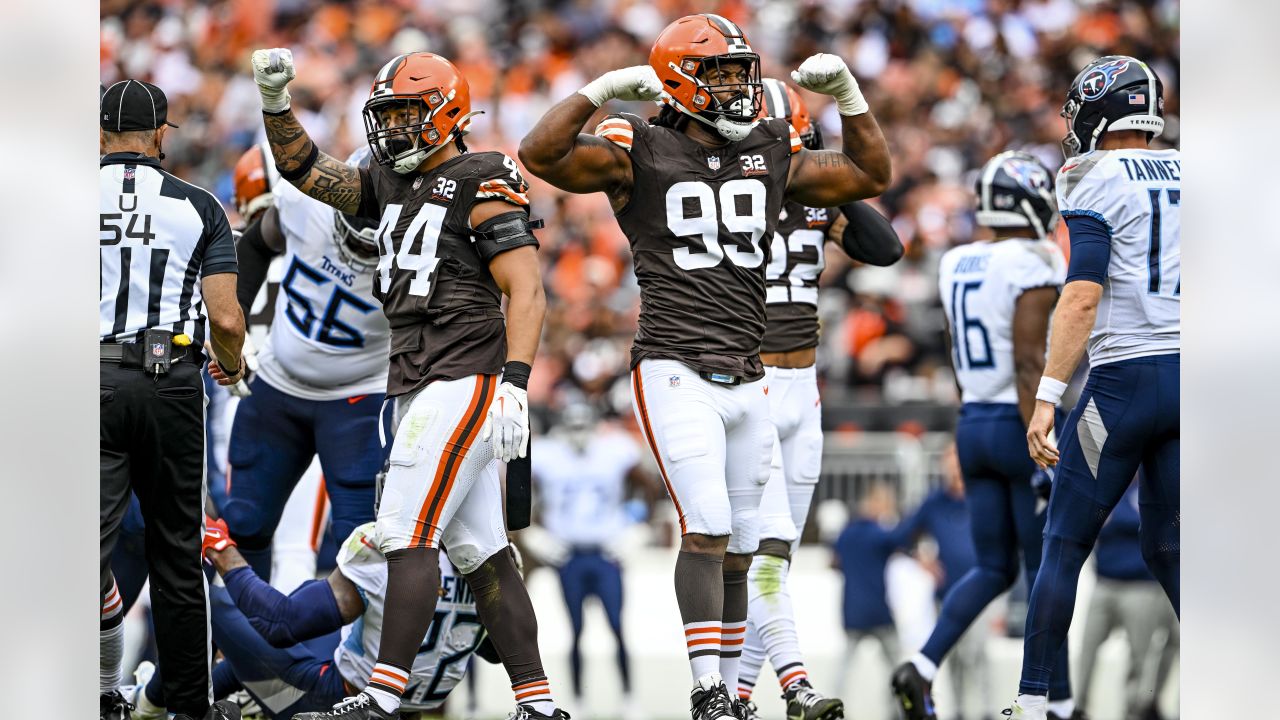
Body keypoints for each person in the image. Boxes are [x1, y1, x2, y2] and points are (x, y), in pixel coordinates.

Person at [518, 14, 890, 718]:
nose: (739, 86)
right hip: (674, 366)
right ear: (683, 81)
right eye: (720, 73)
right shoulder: (640, 146)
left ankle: (736, 691)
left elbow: (872, 175)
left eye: (739, 71)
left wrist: (851, 98)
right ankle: (707, 686)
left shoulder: (770, 146)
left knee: (745, 548)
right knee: (709, 524)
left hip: (750, 371)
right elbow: (542, 154)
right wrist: (596, 91)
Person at [249, 48, 560, 719]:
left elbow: (527, 291)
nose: (393, 129)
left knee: (404, 533)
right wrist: (276, 105)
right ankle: (536, 702)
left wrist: (515, 383)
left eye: (408, 113)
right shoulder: (390, 181)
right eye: (386, 115)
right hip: (419, 378)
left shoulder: (483, 173)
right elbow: (309, 172)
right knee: (483, 554)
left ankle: (383, 694)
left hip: (462, 374)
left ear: (446, 112)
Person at [1011, 55, 1179, 720]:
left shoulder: (1092, 173)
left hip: (1126, 382)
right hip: (1196, 378)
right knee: (1169, 544)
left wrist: (1047, 397)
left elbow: (1081, 295)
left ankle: (1031, 702)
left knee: (1063, 541)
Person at [736, 77, 902, 720]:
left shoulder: (813, 203)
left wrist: (830, 170)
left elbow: (885, 247)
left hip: (803, 392)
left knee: (774, 559)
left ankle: (740, 697)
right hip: (749, 382)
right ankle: (795, 686)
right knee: (766, 556)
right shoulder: (729, 191)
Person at [890, 150, 1076, 720]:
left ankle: (921, 665)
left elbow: (957, 350)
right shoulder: (1036, 258)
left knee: (994, 566)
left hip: (973, 422)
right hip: (1018, 421)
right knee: (1050, 570)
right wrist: (1041, 434)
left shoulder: (957, 261)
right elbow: (1027, 361)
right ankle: (1051, 704)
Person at [99, 78, 245, 720]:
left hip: (83, 378)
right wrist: (231, 365)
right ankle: (190, 706)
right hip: (169, 378)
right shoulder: (198, 205)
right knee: (176, 555)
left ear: (100, 135)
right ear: (161, 136)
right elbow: (228, 319)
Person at [216, 142, 392, 582]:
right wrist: (229, 336)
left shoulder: (423, 248)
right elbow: (255, 245)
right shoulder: (303, 202)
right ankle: (245, 648)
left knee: (360, 545)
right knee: (244, 524)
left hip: (359, 396)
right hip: (278, 385)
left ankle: (346, 654)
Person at [127, 520, 496, 720]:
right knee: (289, 646)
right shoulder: (496, 563)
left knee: (206, 597)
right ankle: (154, 701)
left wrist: (220, 549)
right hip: (404, 709)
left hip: (340, 702)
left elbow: (281, 622)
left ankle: (160, 705)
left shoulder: (391, 551)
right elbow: (495, 653)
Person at [530, 402, 652, 716]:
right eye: (573, 426)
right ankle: (578, 700)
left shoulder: (614, 452)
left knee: (616, 626)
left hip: (606, 554)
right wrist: (533, 533)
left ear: (595, 425)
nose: (579, 433)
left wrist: (636, 524)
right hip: (568, 556)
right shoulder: (548, 456)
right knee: (575, 631)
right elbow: (518, 495)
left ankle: (629, 698)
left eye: (584, 425)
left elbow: (650, 487)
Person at [1075, 480, 1179, 720]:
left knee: (1139, 656)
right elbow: (1089, 523)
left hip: (1142, 586)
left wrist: (1118, 521)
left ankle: (1132, 711)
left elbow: (1162, 527)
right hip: (1104, 582)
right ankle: (1077, 707)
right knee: (1087, 648)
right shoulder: (1110, 486)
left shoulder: (1155, 485)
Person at [831, 483, 904, 702]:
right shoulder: (880, 535)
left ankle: (832, 709)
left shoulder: (846, 534)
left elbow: (835, 563)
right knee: (896, 668)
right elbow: (901, 542)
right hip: (879, 611)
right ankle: (898, 711)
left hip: (852, 611)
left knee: (843, 669)